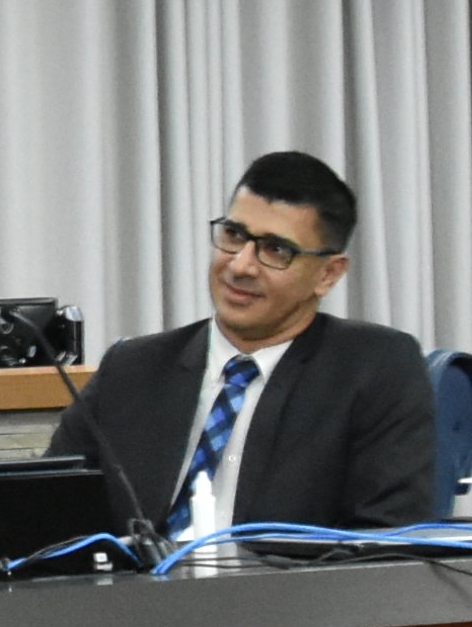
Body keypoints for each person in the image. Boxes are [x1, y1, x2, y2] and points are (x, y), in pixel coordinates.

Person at [51, 150, 438, 541]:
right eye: (234, 236)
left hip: (285, 582)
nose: (240, 265)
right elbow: (48, 518)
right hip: (136, 581)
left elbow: (386, 542)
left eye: (276, 250)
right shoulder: (131, 369)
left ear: (328, 273)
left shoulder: (375, 370)